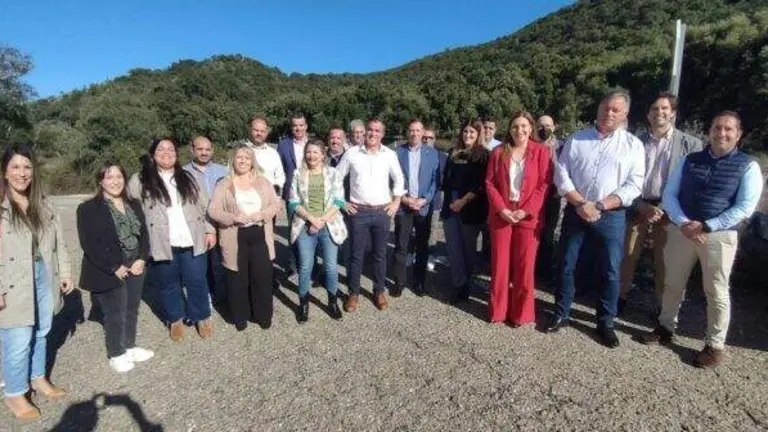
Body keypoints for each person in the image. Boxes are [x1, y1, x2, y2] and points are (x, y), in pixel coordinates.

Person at [640, 111, 763, 368]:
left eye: (728, 129)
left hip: (719, 236)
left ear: (738, 134)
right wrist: (684, 222)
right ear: (709, 131)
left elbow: (745, 207)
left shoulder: (747, 165)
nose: (722, 133)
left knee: (716, 291)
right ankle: (665, 328)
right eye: (717, 127)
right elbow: (671, 194)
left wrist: (707, 225)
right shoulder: (689, 160)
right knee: (673, 283)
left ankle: (714, 345)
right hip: (682, 230)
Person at [547, 89, 645, 349]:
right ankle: (562, 313)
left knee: (611, 270)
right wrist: (580, 203)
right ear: (598, 108)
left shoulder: (633, 146)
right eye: (605, 107)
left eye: (615, 110)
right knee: (567, 264)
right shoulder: (578, 139)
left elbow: (634, 185)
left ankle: (605, 322)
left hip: (610, 215)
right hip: (576, 211)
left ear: (625, 114)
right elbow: (561, 172)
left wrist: (600, 205)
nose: (608, 113)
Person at [0, 144, 73, 421]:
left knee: (43, 329)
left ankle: (38, 378)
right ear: (5, 172)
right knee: (17, 338)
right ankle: (15, 393)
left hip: (43, 273)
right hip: (11, 280)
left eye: (27, 167)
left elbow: (59, 243)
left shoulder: (43, 203)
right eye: (15, 167)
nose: (22, 173)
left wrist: (65, 272)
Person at [618, 93, 703, 314]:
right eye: (655, 109)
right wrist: (640, 206)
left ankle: (665, 310)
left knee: (665, 263)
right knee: (626, 256)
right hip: (638, 207)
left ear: (673, 113)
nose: (660, 113)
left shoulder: (691, 145)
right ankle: (619, 298)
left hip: (670, 212)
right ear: (648, 114)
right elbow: (623, 177)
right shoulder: (635, 142)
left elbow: (693, 184)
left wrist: (667, 209)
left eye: (665, 108)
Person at [127, 138, 217, 342]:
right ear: (153, 154)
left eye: (170, 149)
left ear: (176, 154)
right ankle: (175, 318)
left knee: (196, 280)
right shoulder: (140, 179)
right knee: (168, 283)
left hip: (191, 239)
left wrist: (210, 230)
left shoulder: (189, 177)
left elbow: (206, 206)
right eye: (161, 149)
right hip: (160, 241)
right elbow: (130, 210)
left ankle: (201, 316)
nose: (166, 153)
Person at [76, 162, 154, 373]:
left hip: (135, 263)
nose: (115, 181)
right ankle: (116, 353)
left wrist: (142, 259)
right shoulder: (88, 209)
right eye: (109, 177)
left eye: (119, 176)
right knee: (115, 312)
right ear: (101, 181)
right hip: (109, 268)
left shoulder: (134, 204)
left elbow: (145, 234)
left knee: (131, 308)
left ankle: (129, 346)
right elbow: (89, 244)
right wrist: (114, 267)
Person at [486, 111, 552, 326]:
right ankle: (498, 311)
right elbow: (490, 183)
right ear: (510, 129)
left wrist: (526, 210)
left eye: (524, 126)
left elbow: (544, 184)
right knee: (500, 266)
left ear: (531, 128)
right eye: (515, 126)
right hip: (502, 214)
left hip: (528, 215)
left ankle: (521, 314)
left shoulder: (541, 152)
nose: (519, 130)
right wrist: (501, 208)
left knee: (524, 267)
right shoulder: (498, 152)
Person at [208, 144, 282, 330]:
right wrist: (233, 218)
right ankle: (240, 317)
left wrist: (263, 214)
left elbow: (275, 204)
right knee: (237, 278)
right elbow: (213, 210)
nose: (242, 161)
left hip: (259, 234)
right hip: (235, 235)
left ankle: (263, 315)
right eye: (239, 157)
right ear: (233, 160)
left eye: (247, 158)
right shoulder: (223, 184)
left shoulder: (263, 182)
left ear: (252, 162)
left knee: (262, 277)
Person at [335, 118, 405, 312]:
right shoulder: (352, 153)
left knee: (380, 255)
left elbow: (398, 178)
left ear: (382, 134)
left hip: (382, 212)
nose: (373, 134)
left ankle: (378, 291)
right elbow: (337, 177)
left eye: (377, 131)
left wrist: (396, 201)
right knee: (356, 256)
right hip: (359, 212)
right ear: (365, 132)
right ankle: (354, 293)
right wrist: (342, 202)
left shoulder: (389, 155)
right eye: (370, 130)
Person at [288, 140, 347, 322]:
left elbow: (339, 201)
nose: (311, 156)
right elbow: (293, 201)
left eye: (315, 152)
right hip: (305, 225)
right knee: (305, 267)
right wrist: (312, 219)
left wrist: (321, 220)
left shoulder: (333, 173)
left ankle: (332, 301)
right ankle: (303, 304)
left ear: (323, 155)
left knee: (330, 267)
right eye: (308, 152)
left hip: (328, 225)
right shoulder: (298, 174)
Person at [441, 118, 490, 303]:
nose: (467, 135)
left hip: (471, 207)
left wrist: (462, 201)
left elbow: (482, 184)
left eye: (472, 132)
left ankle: (468, 282)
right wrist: (451, 202)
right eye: (465, 131)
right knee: (454, 249)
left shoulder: (484, 155)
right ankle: (459, 285)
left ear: (478, 135)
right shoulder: (453, 153)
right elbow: (445, 180)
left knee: (468, 250)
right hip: (450, 205)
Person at [392, 120, 441, 296]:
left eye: (418, 130)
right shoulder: (398, 152)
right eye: (411, 130)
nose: (414, 133)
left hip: (423, 207)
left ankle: (419, 282)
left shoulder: (432, 154)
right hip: (404, 206)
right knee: (401, 245)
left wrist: (424, 199)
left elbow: (436, 181)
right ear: (407, 132)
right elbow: (391, 180)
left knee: (422, 247)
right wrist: (404, 199)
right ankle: (399, 282)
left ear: (423, 133)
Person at [183, 136, 229, 305]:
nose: (204, 153)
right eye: (200, 149)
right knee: (201, 263)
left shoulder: (223, 171)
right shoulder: (183, 173)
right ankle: (206, 295)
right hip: (197, 224)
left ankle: (222, 295)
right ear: (192, 150)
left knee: (221, 260)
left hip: (221, 222)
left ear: (212, 151)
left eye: (207, 149)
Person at [277, 114, 310, 277]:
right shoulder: (283, 145)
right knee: (293, 230)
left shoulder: (314, 144)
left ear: (306, 126)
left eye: (301, 125)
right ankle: (292, 264)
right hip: (292, 194)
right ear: (291, 128)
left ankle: (311, 265)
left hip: (313, 193)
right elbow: (280, 169)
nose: (298, 128)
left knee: (313, 228)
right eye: (295, 125)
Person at [535, 115, 564, 283]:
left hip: (553, 196)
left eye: (547, 125)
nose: (543, 128)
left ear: (554, 127)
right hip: (534, 195)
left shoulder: (562, 147)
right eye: (540, 125)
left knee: (549, 232)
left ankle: (545, 269)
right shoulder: (530, 145)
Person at [245, 115, 285, 195]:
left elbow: (280, 177)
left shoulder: (273, 153)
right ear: (250, 130)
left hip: (269, 199)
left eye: (262, 131)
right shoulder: (240, 151)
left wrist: (275, 195)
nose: (259, 133)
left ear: (267, 132)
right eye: (256, 130)